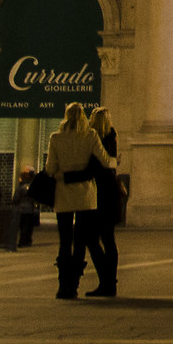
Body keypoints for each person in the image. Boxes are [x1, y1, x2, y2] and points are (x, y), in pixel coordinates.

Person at [45, 101, 112, 296]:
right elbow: (105, 160)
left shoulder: (55, 138)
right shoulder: (90, 135)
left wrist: (61, 173)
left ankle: (63, 286)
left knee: (65, 241)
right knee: (81, 241)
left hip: (64, 194)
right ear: (83, 116)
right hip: (85, 195)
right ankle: (74, 284)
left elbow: (49, 168)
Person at [89, 108, 126, 289]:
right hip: (111, 193)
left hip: (97, 193)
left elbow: (95, 164)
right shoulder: (112, 138)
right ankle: (109, 279)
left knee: (92, 238)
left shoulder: (92, 139)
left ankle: (106, 279)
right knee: (109, 239)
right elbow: (111, 163)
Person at [15, 166, 43, 248]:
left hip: (22, 209)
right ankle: (28, 241)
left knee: (23, 226)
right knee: (29, 227)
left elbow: (15, 199)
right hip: (31, 209)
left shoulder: (21, 188)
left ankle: (22, 242)